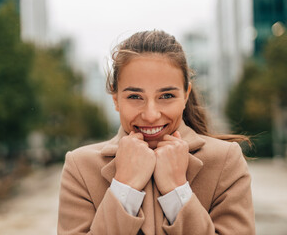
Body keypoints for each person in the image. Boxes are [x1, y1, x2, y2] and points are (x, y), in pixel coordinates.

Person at [57, 30, 255, 235]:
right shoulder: (80, 167)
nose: (151, 115)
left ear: (185, 95)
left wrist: (177, 190)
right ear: (115, 99)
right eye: (135, 96)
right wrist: (124, 187)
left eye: (166, 95)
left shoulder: (225, 160)